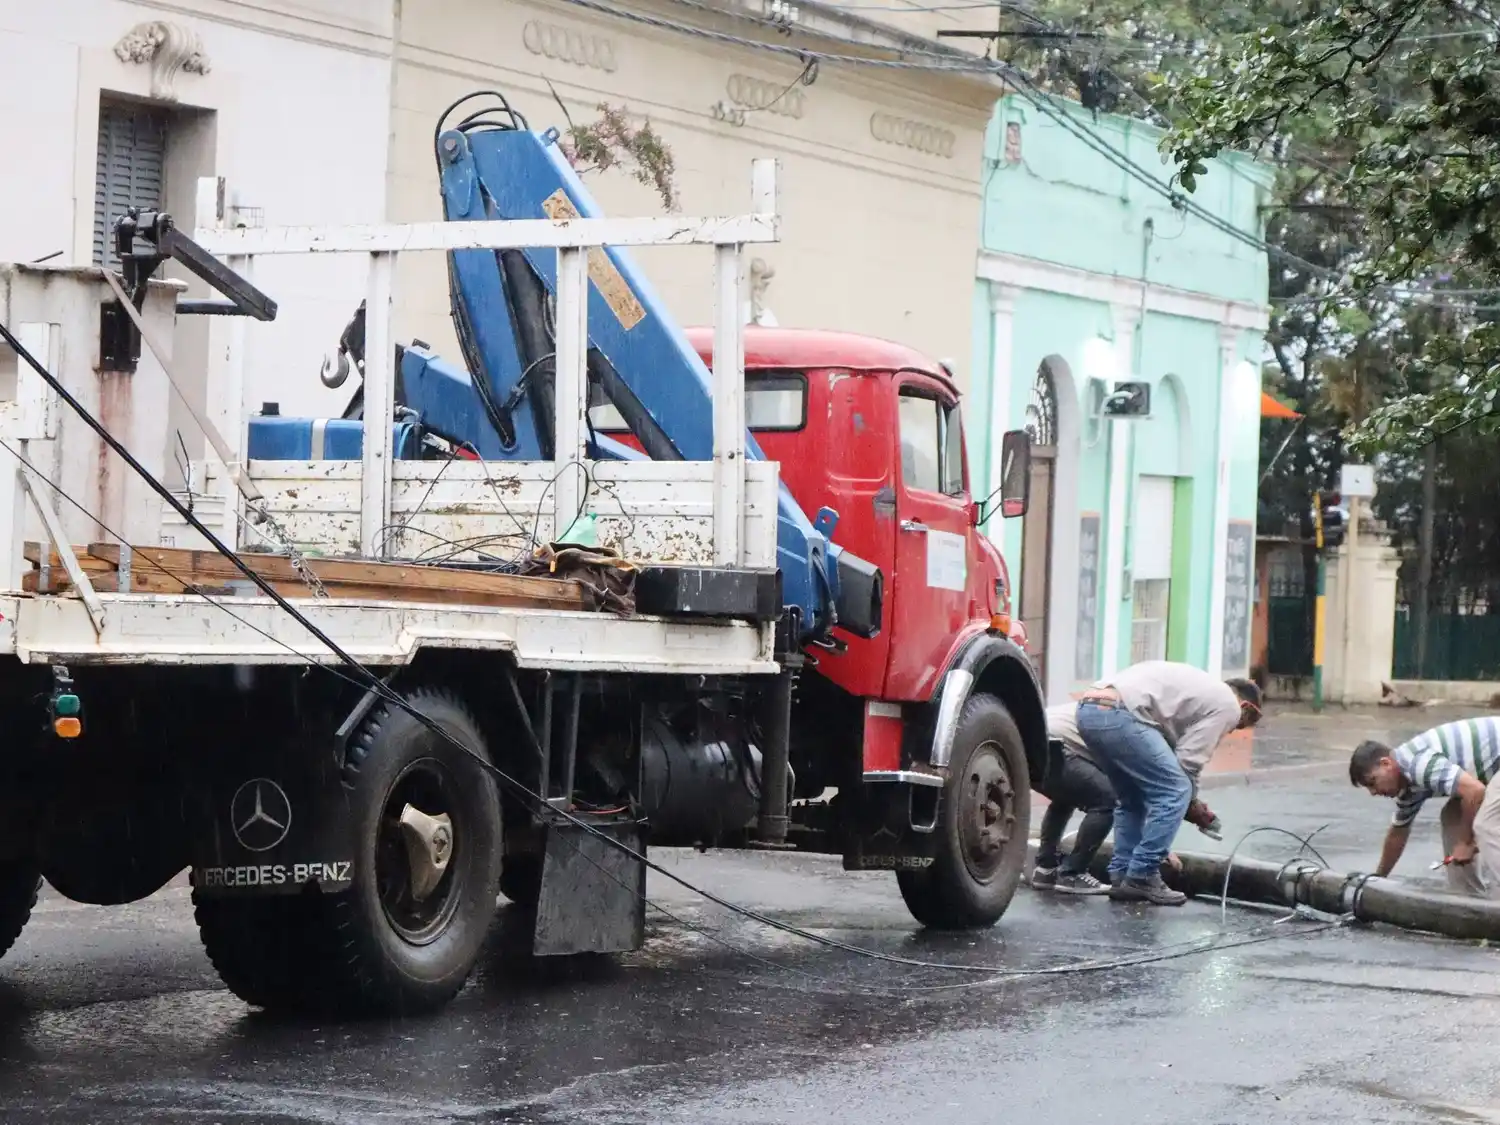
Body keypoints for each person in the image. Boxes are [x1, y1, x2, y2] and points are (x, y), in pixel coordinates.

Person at [1076, 661, 1263, 906]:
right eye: (1238, 725)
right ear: (1246, 707)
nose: (1231, 729)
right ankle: (1142, 874)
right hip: (1122, 713)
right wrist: (1191, 802)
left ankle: (1122, 876)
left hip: (1089, 710)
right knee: (1176, 790)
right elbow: (1188, 761)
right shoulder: (1229, 705)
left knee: (1132, 797)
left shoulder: (1197, 691)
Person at [1349, 717, 1500, 898]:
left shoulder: (1417, 765)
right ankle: (1469, 901)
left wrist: (1466, 842)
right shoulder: (1408, 786)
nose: (1374, 792)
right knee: (1453, 817)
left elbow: (1475, 792)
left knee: (1485, 825)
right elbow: (1398, 832)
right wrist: (1377, 880)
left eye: (1372, 782)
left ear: (1386, 763)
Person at [1031, 702, 1116, 895]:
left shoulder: (1094, 705)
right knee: (1108, 800)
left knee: (1065, 796)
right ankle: (1072, 873)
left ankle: (1045, 868)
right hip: (1056, 745)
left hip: (1029, 745)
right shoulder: (1122, 719)